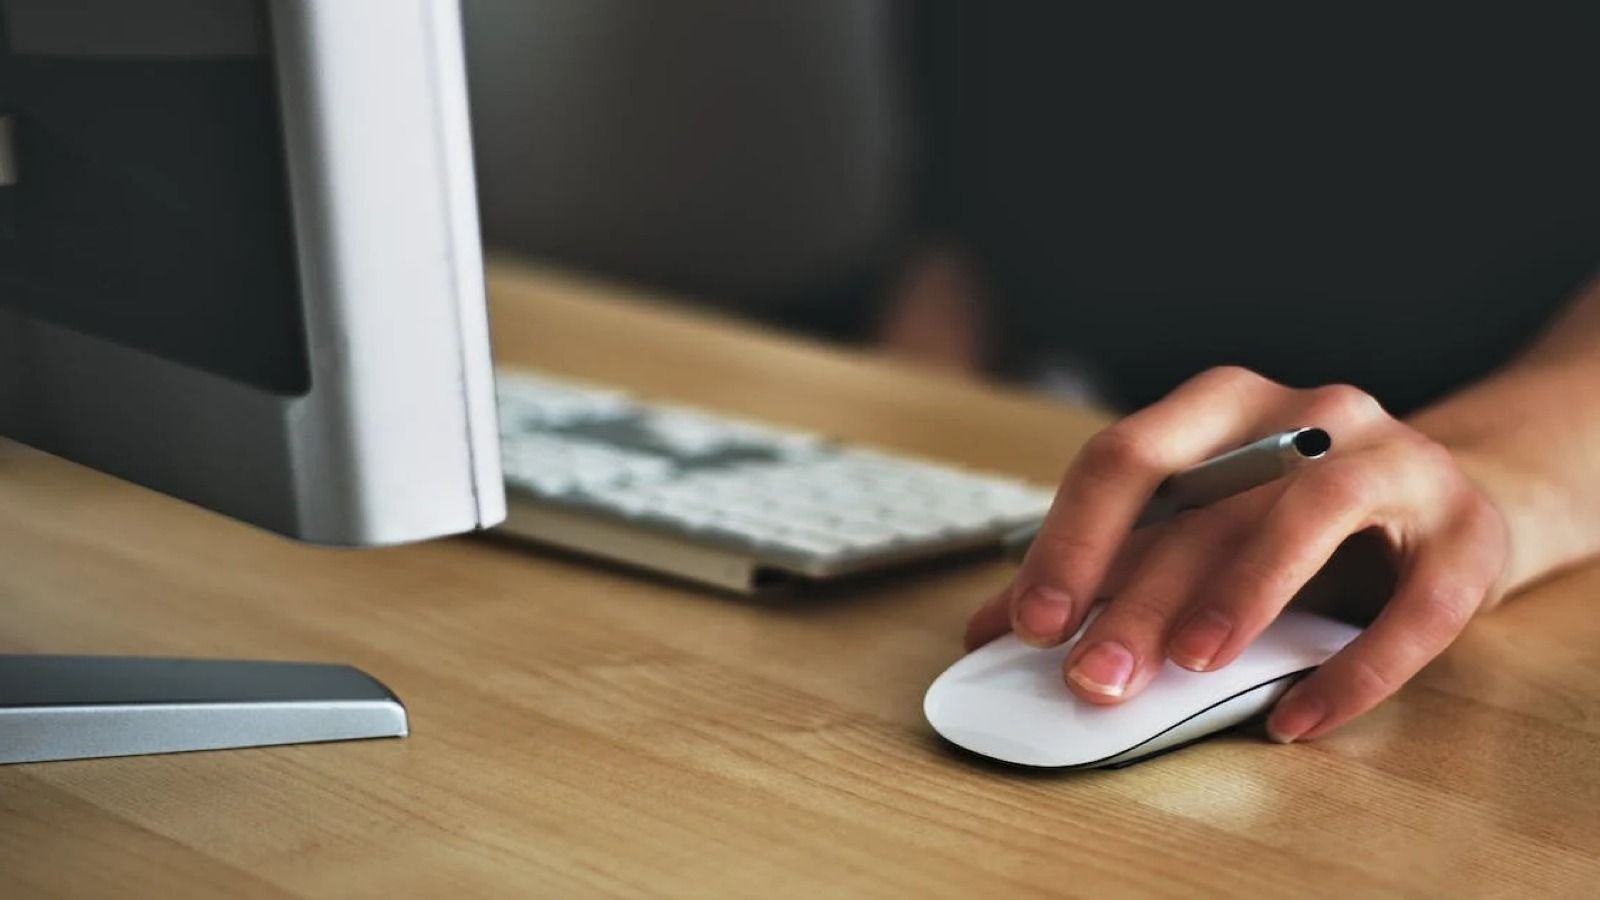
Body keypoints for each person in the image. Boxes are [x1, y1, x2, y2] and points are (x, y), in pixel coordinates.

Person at [888, 3, 1600, 742]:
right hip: (1131, 476)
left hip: (1492, 436)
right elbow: (960, 220)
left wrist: (1479, 482)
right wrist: (894, 462)